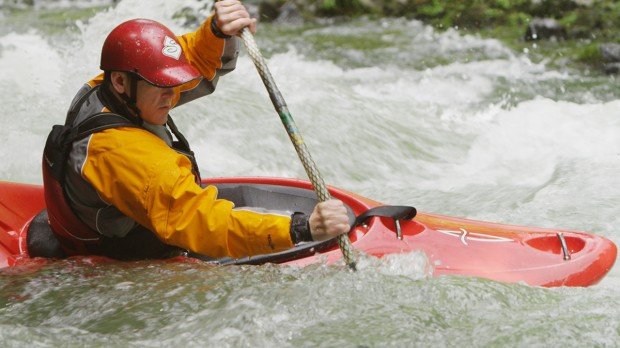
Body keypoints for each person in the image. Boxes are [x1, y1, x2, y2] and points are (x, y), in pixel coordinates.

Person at [41, 0, 350, 260]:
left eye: (174, 83)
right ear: (121, 82)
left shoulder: (110, 86)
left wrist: (217, 31)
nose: (174, 95)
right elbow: (204, 223)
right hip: (116, 254)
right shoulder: (130, 158)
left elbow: (187, 60)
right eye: (162, 86)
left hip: (96, 217)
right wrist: (301, 229)